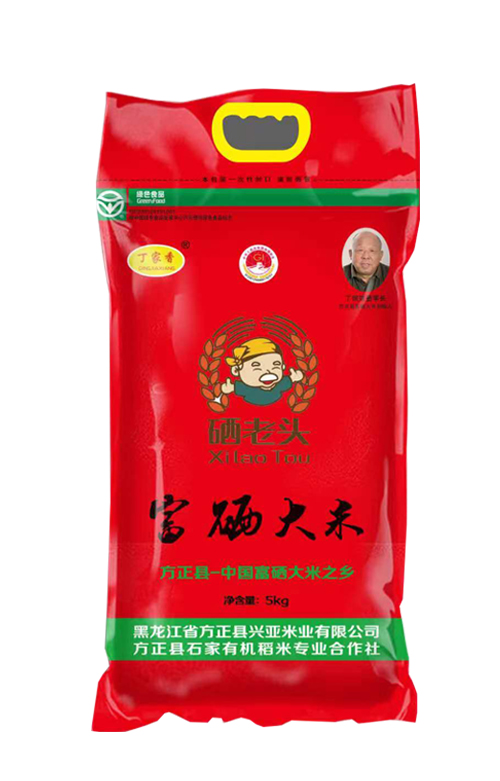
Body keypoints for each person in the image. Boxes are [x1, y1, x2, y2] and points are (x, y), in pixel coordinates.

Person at [221, 337, 303, 406]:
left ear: (282, 367)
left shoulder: (280, 384)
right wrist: (229, 388)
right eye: (256, 366)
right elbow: (234, 388)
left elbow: (288, 381)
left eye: (276, 364)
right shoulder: (245, 388)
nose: (268, 371)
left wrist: (294, 377)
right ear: (236, 370)